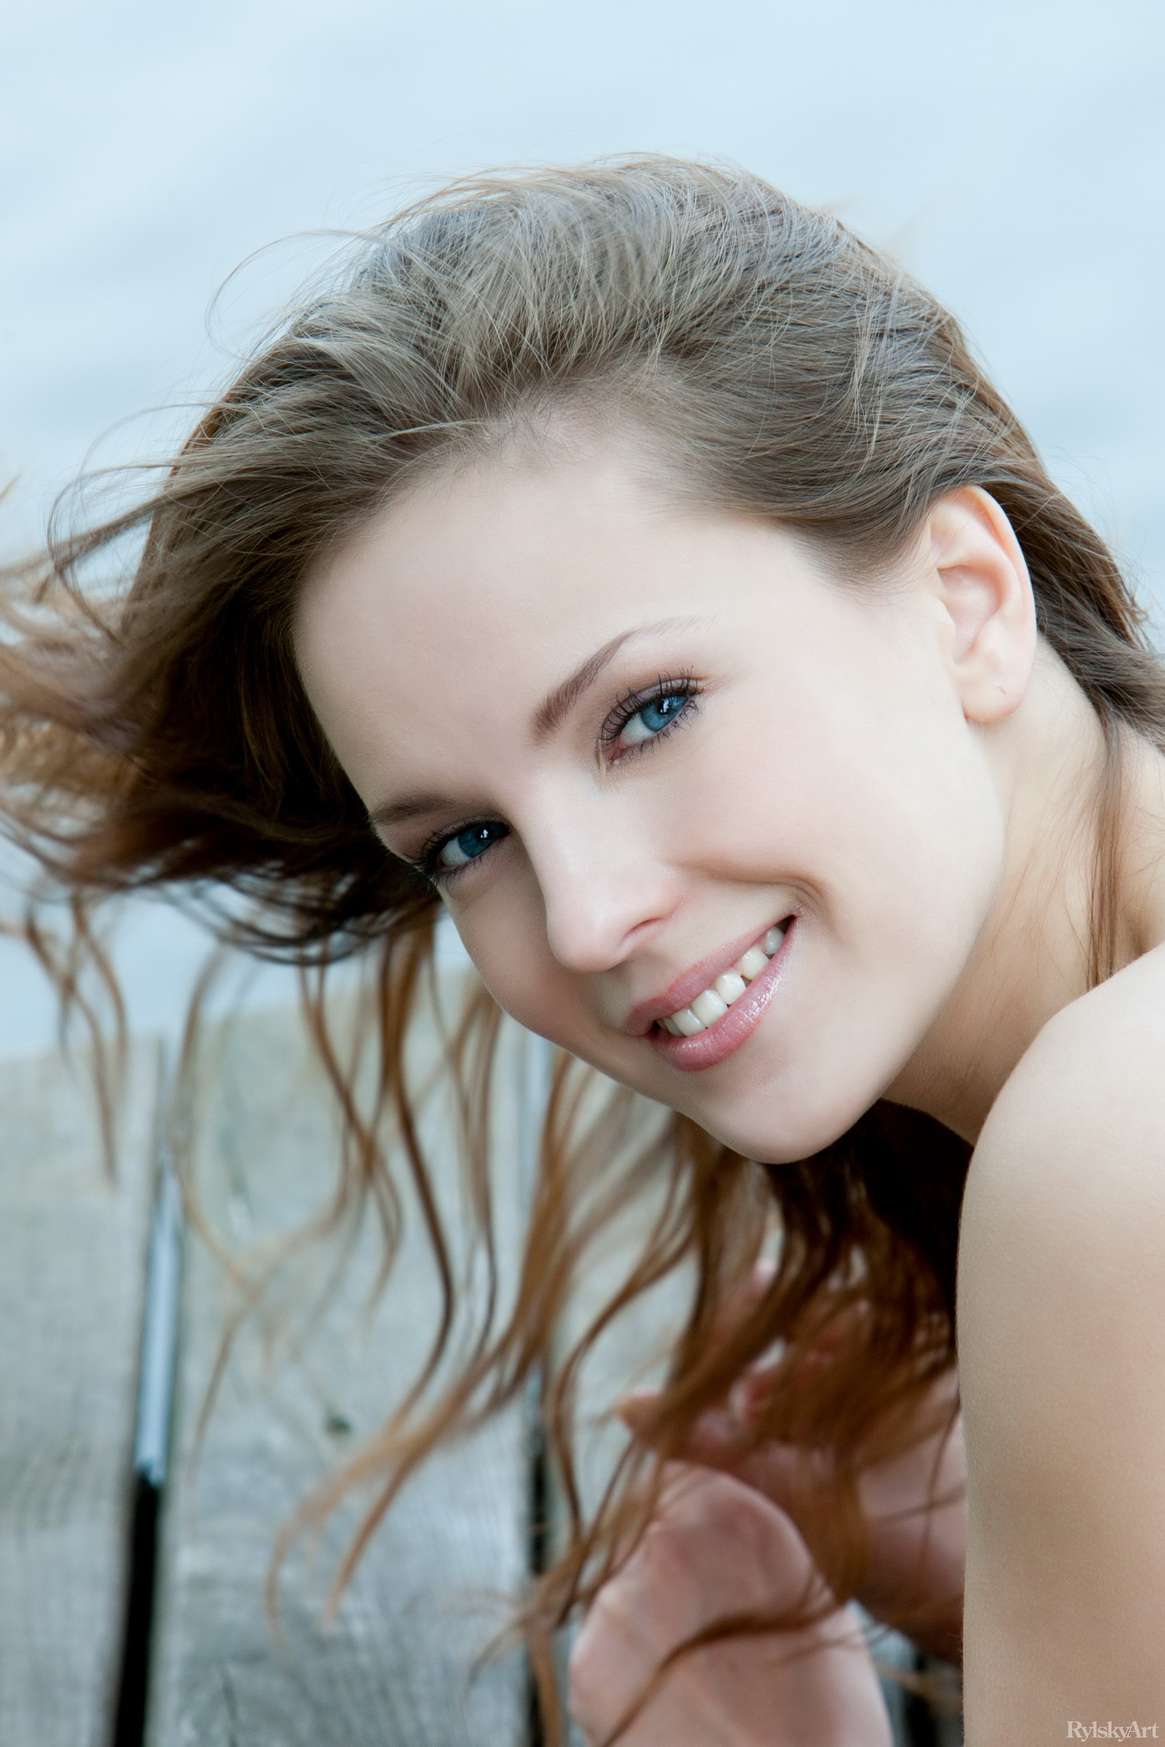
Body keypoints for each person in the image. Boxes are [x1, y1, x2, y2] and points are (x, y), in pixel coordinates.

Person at [3, 152, 1164, 1745]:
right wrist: (1038, 1579)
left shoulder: (1112, 1140)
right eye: (463, 842)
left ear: (963, 600)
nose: (583, 916)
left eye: (650, 713)